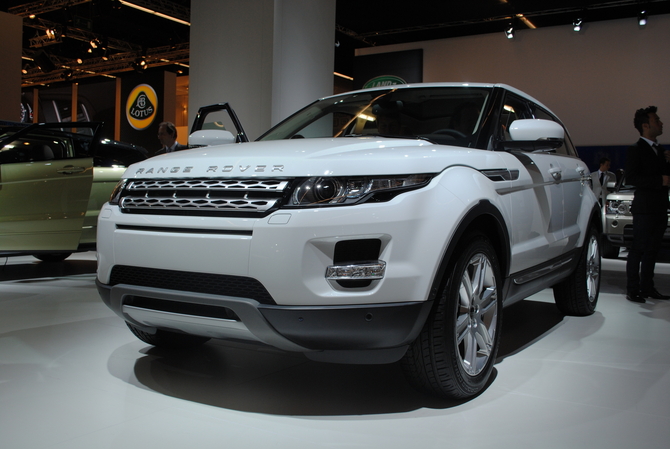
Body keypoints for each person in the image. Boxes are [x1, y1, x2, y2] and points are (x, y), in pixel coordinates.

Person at [625, 106, 670, 303]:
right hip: (644, 208)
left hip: (660, 207)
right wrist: (659, 180)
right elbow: (632, 178)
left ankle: (647, 287)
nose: (661, 123)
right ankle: (633, 289)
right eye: (656, 120)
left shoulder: (660, 150)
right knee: (638, 248)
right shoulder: (636, 150)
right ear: (645, 125)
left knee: (653, 250)